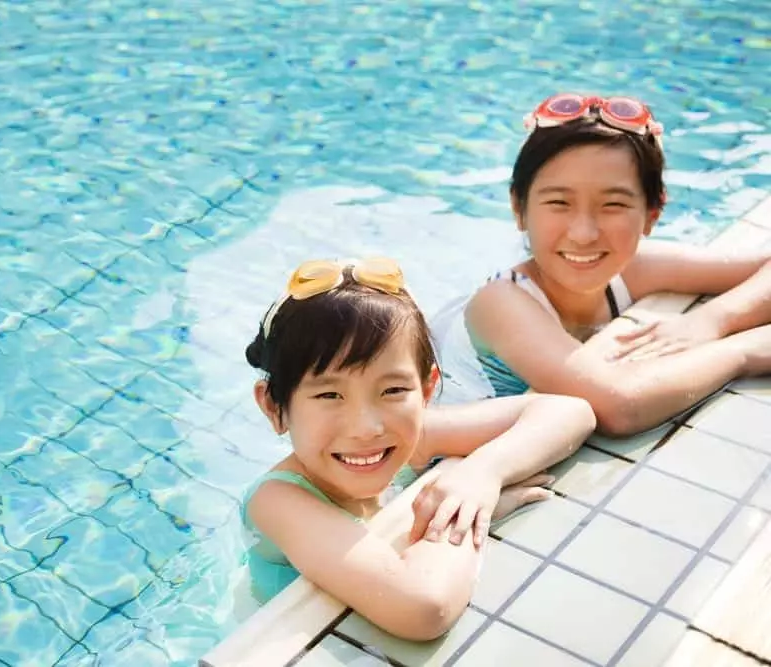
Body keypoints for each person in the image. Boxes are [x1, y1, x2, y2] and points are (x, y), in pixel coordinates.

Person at [241, 257, 595, 641]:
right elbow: (424, 608)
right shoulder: (276, 502)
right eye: (329, 394)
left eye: (392, 390)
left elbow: (569, 411)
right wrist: (464, 514)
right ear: (274, 407)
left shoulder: (411, 436)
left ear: (426, 390)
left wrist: (480, 475)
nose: (367, 427)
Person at [464, 92, 771, 436]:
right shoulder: (500, 302)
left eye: (612, 205)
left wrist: (713, 320)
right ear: (519, 208)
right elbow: (620, 407)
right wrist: (746, 351)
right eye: (558, 202)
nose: (583, 234)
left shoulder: (633, 269)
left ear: (652, 214)